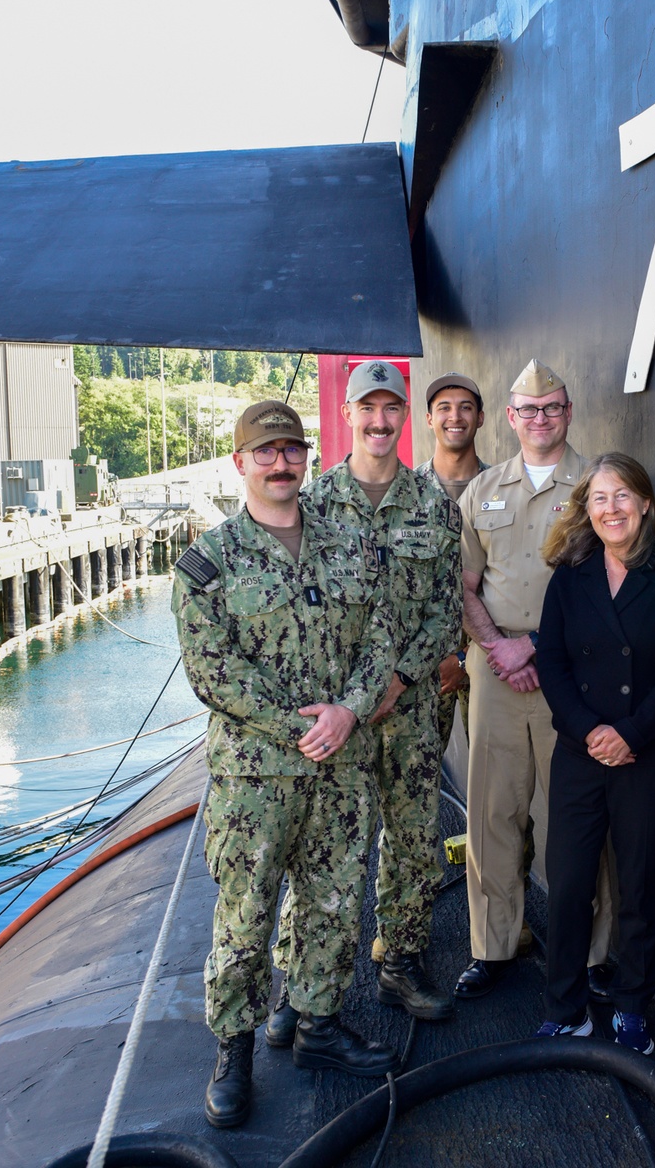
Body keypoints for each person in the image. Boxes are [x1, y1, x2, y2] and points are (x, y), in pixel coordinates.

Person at [171, 399, 399, 1131]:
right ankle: (234, 1047)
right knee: (245, 920)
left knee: (334, 905)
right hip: (256, 781)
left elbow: (382, 635)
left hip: (341, 767)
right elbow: (213, 672)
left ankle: (318, 1027)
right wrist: (298, 726)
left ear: (306, 459)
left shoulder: (350, 544)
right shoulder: (210, 562)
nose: (280, 464)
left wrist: (349, 711)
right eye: (264, 452)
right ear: (240, 463)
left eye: (291, 451)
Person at [266, 360, 461, 1033]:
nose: (380, 422)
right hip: (338, 716)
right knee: (320, 849)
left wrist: (399, 680)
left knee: (411, 839)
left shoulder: (434, 504)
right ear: (348, 415)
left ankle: (401, 965)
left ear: (405, 416)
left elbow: (443, 610)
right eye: (367, 409)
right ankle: (298, 982)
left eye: (391, 410)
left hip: (405, 711)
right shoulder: (312, 506)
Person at [533, 453, 655, 1052]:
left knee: (638, 883)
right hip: (581, 752)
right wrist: (590, 733)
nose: (611, 509)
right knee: (570, 878)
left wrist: (630, 733)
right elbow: (552, 665)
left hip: (649, 755)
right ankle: (565, 1007)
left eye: (622, 497)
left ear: (646, 505)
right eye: (600, 499)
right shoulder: (570, 575)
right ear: (588, 509)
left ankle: (632, 1005)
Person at [454, 359, 612, 999]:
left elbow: (609, 589)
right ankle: (493, 949)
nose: (540, 419)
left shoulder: (597, 486)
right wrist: (497, 647)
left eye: (552, 408)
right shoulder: (482, 491)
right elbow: (463, 585)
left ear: (568, 413)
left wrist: (536, 648)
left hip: (570, 673)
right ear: (512, 417)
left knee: (575, 820)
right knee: (492, 812)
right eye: (528, 409)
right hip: (495, 673)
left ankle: (596, 957)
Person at [415, 372, 489, 751]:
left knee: (500, 789)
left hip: (493, 662)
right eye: (443, 408)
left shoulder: (503, 489)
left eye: (465, 408)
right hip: (424, 669)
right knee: (415, 786)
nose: (454, 417)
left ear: (481, 417)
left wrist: (465, 658)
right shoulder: (406, 495)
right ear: (429, 418)